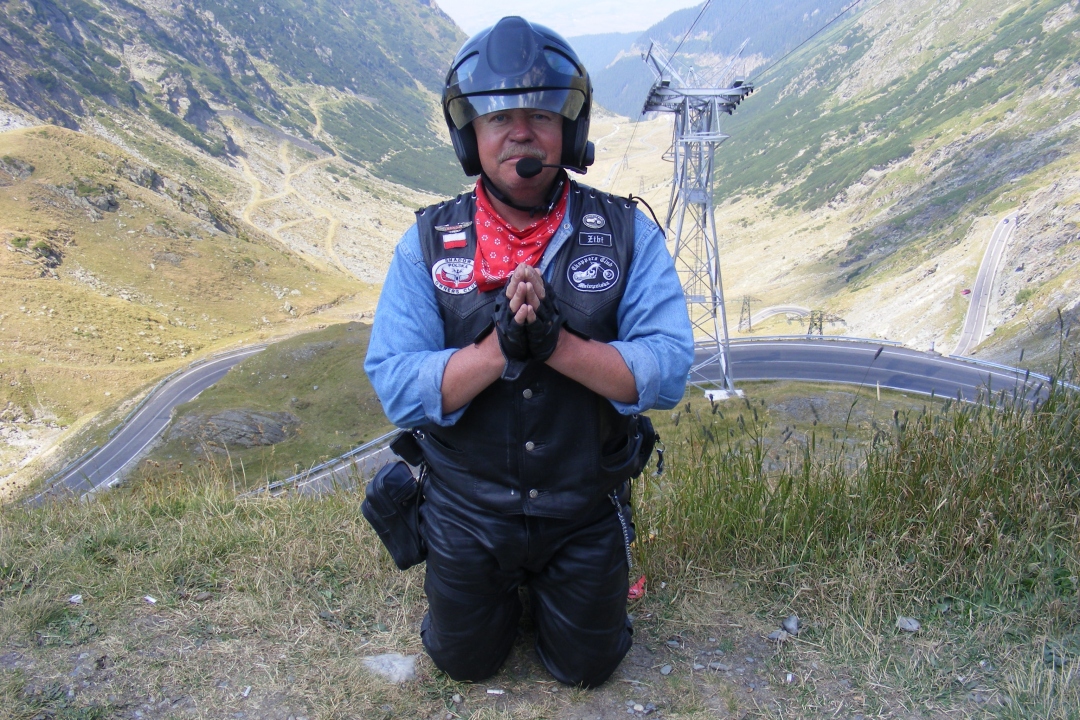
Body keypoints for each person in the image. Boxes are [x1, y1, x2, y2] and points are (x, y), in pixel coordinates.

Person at [364, 16, 693, 688]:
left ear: (568, 128)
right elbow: (395, 383)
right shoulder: (426, 243)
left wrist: (557, 345)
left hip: (582, 506)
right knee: (462, 662)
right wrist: (497, 352)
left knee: (589, 668)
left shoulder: (627, 231)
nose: (520, 132)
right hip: (466, 509)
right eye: (498, 117)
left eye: (540, 113)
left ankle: (559, 586)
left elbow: (669, 369)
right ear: (470, 136)